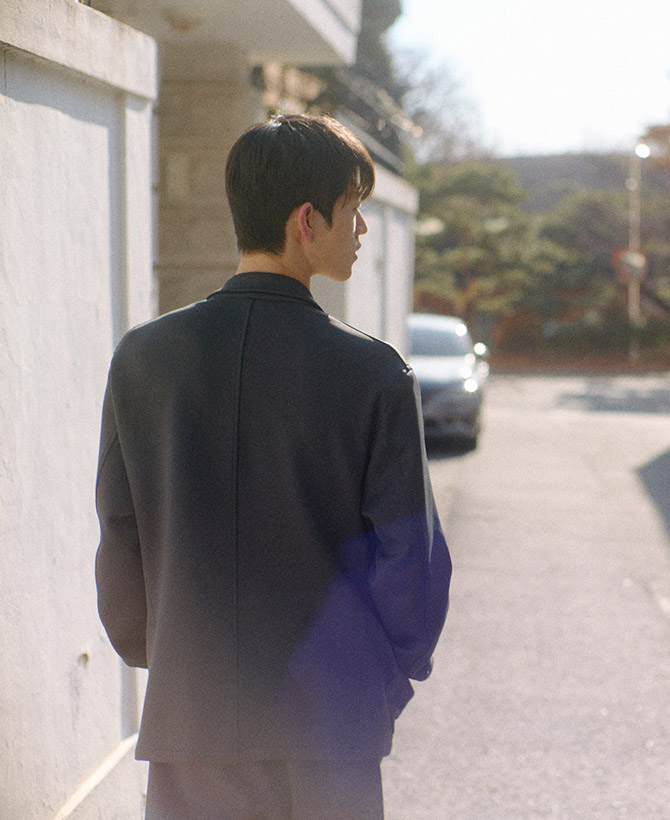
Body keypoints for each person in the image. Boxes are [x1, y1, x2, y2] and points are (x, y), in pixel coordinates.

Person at [94, 114, 451, 820]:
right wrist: (386, 678)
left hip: (190, 719)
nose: (362, 229)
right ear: (306, 220)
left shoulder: (144, 357)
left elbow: (120, 528)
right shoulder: (372, 372)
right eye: (354, 207)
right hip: (330, 724)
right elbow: (409, 558)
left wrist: (161, 652)